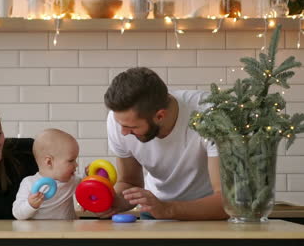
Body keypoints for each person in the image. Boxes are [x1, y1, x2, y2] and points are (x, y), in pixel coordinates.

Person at [103, 67, 228, 220]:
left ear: (160, 116)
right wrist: (111, 202)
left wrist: (167, 209)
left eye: (132, 127)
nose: (123, 132)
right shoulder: (121, 121)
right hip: (154, 211)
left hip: (209, 214)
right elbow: (129, 182)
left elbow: (226, 201)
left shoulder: (210, 114)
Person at [12, 129, 80, 220]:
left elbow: (89, 187)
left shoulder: (73, 181)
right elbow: (17, 214)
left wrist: (90, 174)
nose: (76, 165)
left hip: (67, 232)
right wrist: (30, 205)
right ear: (49, 162)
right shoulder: (29, 183)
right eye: (71, 160)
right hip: (39, 233)